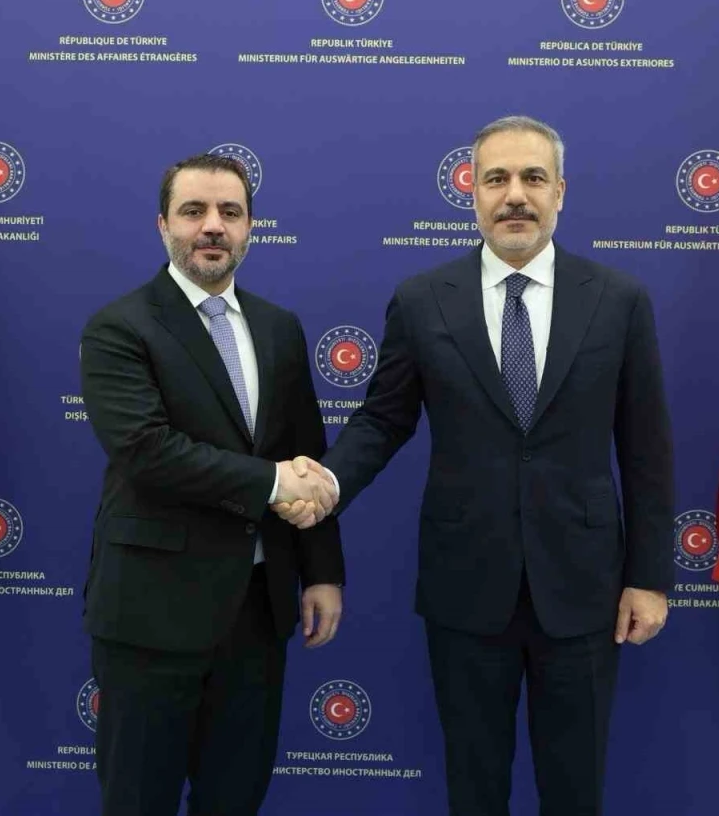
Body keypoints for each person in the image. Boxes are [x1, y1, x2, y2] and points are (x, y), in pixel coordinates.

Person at [283, 115, 674, 816]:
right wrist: (329, 482)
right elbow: (383, 420)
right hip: (465, 587)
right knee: (474, 785)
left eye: (533, 178)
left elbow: (646, 448)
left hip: (584, 588)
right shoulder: (422, 299)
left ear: (560, 192)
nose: (515, 194)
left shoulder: (618, 301)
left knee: (576, 789)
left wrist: (648, 576)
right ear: (472, 192)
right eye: (497, 178)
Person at [79, 152, 343, 816]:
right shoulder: (120, 327)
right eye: (193, 211)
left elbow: (306, 454)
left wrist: (321, 572)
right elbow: (146, 451)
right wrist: (273, 482)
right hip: (151, 616)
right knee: (138, 801)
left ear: (251, 226)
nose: (213, 226)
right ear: (163, 224)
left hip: (257, 613)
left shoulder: (279, 328)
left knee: (236, 798)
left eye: (230, 212)